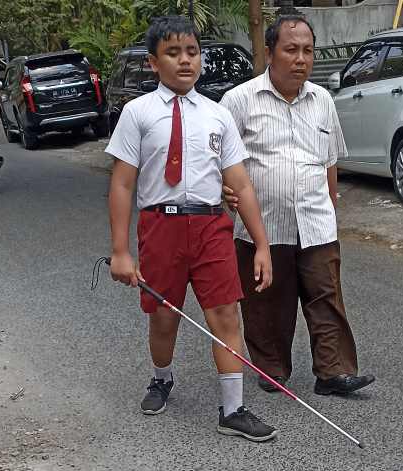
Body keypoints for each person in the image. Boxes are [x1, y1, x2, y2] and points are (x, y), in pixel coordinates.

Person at [106, 16, 278, 442]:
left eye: (192, 52)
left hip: (210, 226)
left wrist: (261, 243)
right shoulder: (138, 113)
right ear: (153, 62)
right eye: (173, 53)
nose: (185, 61)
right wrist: (121, 250)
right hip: (159, 226)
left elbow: (239, 183)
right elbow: (123, 183)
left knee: (224, 313)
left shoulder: (217, 116)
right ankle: (161, 377)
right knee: (165, 317)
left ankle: (233, 409)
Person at [220, 15, 375, 396]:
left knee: (327, 298)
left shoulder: (323, 101)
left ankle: (333, 372)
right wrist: (225, 194)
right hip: (262, 228)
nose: (301, 59)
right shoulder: (238, 102)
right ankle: (272, 369)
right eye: (291, 50)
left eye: (307, 50)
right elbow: (220, 162)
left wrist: (330, 212)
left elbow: (330, 162)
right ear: (270, 52)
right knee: (267, 303)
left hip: (316, 223)